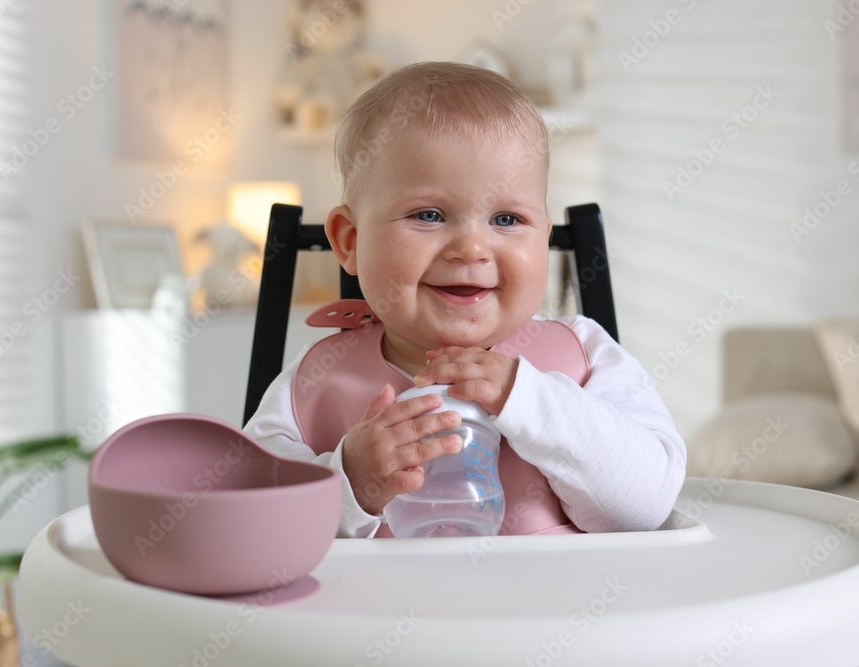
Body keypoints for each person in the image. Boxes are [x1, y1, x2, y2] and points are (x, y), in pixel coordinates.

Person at [244, 61, 686, 538]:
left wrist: (530, 400)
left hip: (553, 590)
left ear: (543, 238)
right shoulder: (317, 380)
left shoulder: (583, 356)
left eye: (506, 220)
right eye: (429, 215)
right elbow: (250, 523)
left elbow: (646, 507)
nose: (472, 248)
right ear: (350, 242)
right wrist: (349, 481)